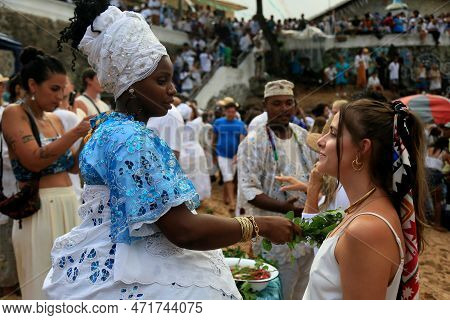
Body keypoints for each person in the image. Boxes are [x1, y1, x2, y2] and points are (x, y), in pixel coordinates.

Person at [44, 2, 299, 300]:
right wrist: (258, 225)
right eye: (161, 80)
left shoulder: (108, 130)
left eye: (170, 80)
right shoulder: (131, 138)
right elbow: (182, 229)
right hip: (132, 273)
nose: (173, 90)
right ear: (131, 85)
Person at [299, 99, 426, 299]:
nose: (321, 141)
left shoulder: (367, 230)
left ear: (362, 148)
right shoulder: (361, 209)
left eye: (333, 133)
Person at [1, 47, 91, 299]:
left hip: (67, 202)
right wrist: (75, 132)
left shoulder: (55, 120)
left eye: (63, 89)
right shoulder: (13, 114)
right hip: (40, 209)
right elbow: (33, 161)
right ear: (32, 84)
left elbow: (72, 166)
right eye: (54, 89)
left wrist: (88, 135)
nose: (61, 96)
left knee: (72, 287)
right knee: (42, 286)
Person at [237, 80, 317, 299]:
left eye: (288, 103)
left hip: (307, 230)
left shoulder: (303, 136)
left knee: (303, 292)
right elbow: (249, 190)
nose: (284, 109)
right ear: (265, 106)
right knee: (280, 294)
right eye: (277, 103)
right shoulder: (253, 142)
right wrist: (284, 207)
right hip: (275, 234)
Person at [213, 102, 246, 209]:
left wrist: (237, 154)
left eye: (233, 112)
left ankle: (225, 198)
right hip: (221, 153)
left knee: (229, 178)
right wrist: (213, 153)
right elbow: (214, 138)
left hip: (234, 155)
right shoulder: (218, 122)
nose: (231, 114)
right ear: (225, 112)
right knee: (228, 177)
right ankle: (232, 203)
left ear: (235, 112)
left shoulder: (240, 124)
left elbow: (242, 141)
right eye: (229, 111)